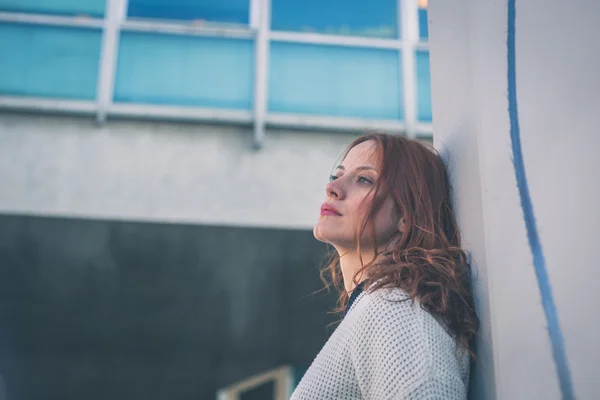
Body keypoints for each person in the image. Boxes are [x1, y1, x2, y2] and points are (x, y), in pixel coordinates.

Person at [291, 133, 478, 399]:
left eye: (364, 180)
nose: (332, 188)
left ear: (406, 215)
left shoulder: (392, 307)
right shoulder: (378, 305)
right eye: (337, 176)